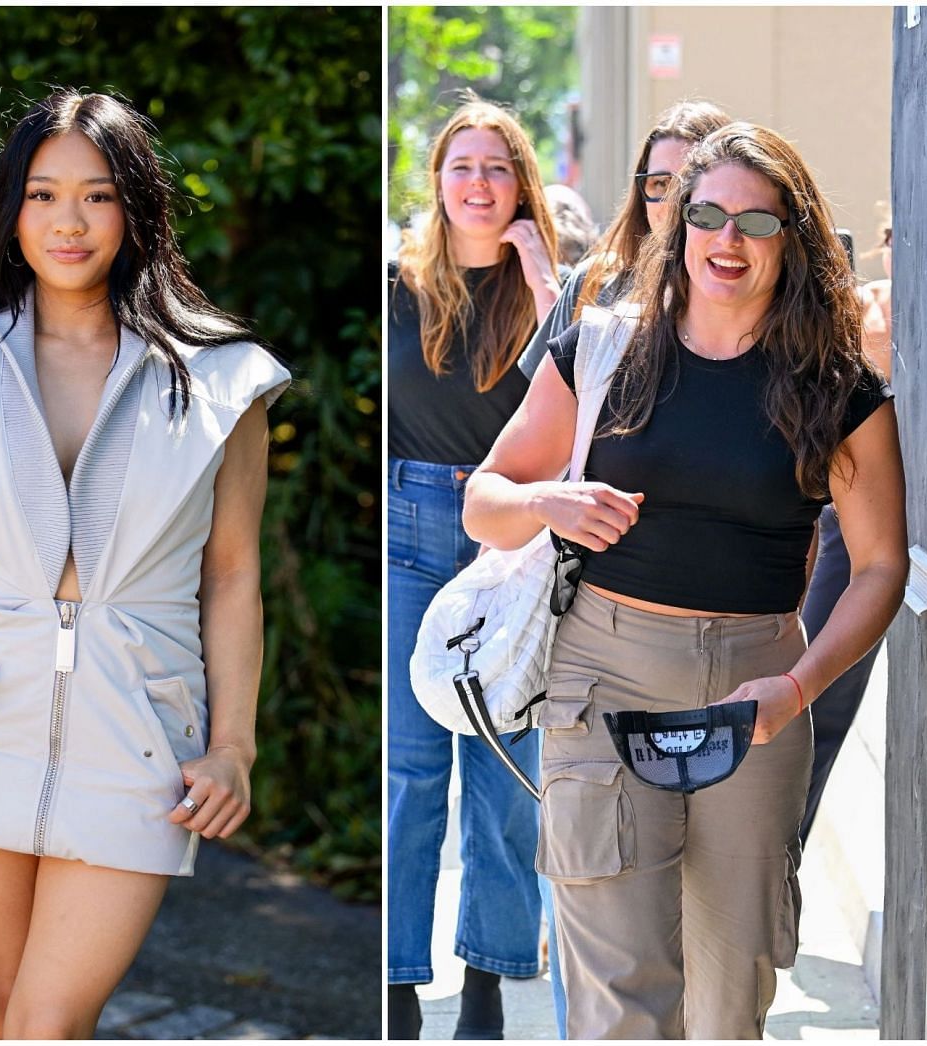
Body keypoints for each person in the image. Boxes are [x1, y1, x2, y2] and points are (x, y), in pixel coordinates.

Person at [0, 89, 288, 1039]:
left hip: (140, 737)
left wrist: (234, 746)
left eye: (96, 195)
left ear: (136, 210)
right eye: (43, 195)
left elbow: (232, 575)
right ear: (11, 212)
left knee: (44, 1021)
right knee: (8, 1012)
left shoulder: (224, 378)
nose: (68, 221)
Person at [462, 123, 906, 1038]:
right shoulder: (601, 348)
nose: (728, 240)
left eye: (757, 219)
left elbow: (880, 566)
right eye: (707, 214)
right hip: (603, 679)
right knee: (624, 1001)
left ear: (795, 236)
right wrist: (549, 502)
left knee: (727, 1000)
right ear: (678, 227)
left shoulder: (836, 386)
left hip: (758, 693)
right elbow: (485, 498)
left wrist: (798, 688)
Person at [520, 100, 733, 1038]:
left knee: (711, 932)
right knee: (603, 913)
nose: (675, 201)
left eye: (695, 184)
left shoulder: (770, 319)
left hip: (737, 652)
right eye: (660, 183)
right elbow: (521, 460)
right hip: (597, 644)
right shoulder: (595, 302)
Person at [387, 96, 559, 1041]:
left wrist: (543, 276)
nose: (479, 184)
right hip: (413, 520)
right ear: (438, 183)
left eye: (498, 166)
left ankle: (489, 978)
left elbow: (579, 387)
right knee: (411, 768)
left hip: (515, 531)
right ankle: (397, 981)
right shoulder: (398, 283)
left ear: (521, 182)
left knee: (501, 761)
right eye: (463, 166)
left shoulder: (546, 284)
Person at [798, 208, 896, 846]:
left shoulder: (906, 315)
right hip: (844, 515)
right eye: (887, 239)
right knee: (809, 701)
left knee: (816, 708)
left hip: (891, 540)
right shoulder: (869, 313)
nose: (890, 254)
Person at [519, 100, 733, 382]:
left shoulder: (743, 293)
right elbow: (541, 413)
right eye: (660, 184)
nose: (673, 202)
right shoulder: (595, 282)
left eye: (689, 185)